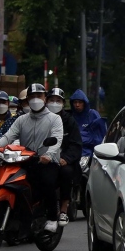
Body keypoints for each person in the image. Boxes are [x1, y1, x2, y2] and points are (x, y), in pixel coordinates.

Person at [0, 84, 64, 233]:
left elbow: (57, 139)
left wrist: (48, 155)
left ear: (45, 98)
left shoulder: (55, 119)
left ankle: (53, 218)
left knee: (47, 183)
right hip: (25, 161)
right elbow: (8, 136)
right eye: (32, 97)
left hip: (47, 162)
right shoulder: (21, 120)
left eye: (39, 96)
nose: (36, 100)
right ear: (27, 100)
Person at [47, 88, 82, 226]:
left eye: (58, 101)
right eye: (51, 100)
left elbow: (76, 145)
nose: (54, 103)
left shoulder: (69, 121)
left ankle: (63, 209)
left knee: (66, 173)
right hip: (43, 158)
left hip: (63, 160)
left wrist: (65, 158)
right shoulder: (41, 118)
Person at [70, 89, 107, 158]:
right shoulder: (70, 117)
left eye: (80, 102)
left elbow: (101, 133)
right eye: (75, 102)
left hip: (91, 153)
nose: (77, 105)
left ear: (84, 103)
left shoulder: (92, 114)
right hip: (73, 152)